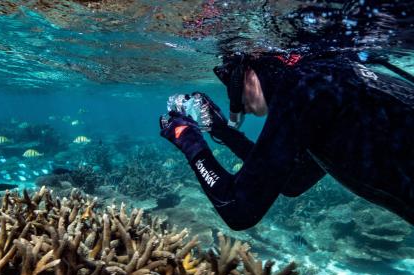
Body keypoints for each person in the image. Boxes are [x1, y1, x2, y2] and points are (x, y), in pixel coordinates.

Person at [160, 52, 414, 230]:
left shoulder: (301, 85)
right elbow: (294, 179)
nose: (231, 94)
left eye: (226, 77)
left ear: (245, 68)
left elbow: (238, 210)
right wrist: (223, 131)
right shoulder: (328, 75)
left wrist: (187, 138)